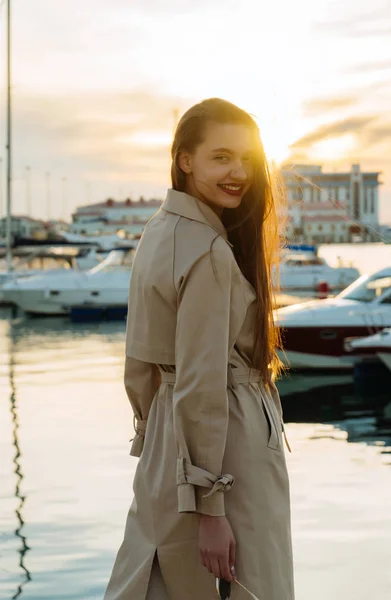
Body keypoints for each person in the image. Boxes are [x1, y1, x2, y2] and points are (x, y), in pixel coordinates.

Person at [103, 98, 294, 600]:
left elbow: (139, 364)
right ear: (185, 160)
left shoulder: (157, 232)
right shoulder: (208, 250)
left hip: (169, 445)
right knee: (254, 584)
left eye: (248, 159)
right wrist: (210, 508)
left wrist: (159, 441)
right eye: (222, 157)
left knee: (155, 579)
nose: (239, 173)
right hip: (227, 451)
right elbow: (202, 383)